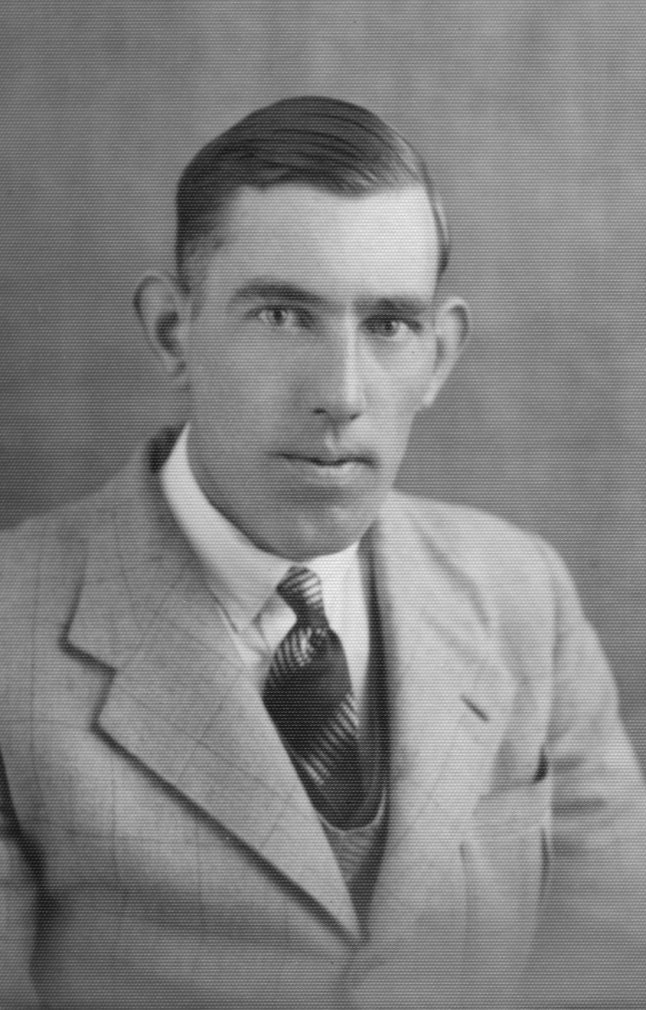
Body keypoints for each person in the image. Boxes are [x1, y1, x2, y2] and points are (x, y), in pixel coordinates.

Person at [0, 96, 645, 1010]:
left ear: (439, 356)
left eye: (388, 324)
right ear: (173, 332)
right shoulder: (12, 630)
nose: (341, 394)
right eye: (282, 316)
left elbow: (613, 955)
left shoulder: (522, 590)